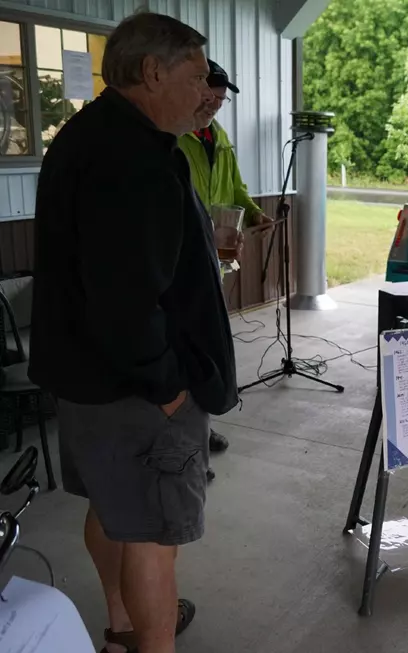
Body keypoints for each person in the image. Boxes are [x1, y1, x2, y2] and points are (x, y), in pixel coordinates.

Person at [29, 12, 238, 653]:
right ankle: (150, 639)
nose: (205, 91)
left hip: (86, 384)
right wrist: (169, 386)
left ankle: (121, 623)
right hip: (137, 393)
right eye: (197, 75)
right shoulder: (135, 159)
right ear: (153, 71)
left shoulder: (85, 135)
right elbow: (127, 300)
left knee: (111, 505)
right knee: (152, 531)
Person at [178, 59, 273, 477]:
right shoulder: (174, 138)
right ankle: (186, 442)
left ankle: (201, 426)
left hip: (213, 259)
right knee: (185, 349)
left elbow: (234, 186)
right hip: (182, 261)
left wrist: (252, 213)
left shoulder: (218, 136)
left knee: (207, 349)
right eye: (209, 97)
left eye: (220, 99)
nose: (215, 105)